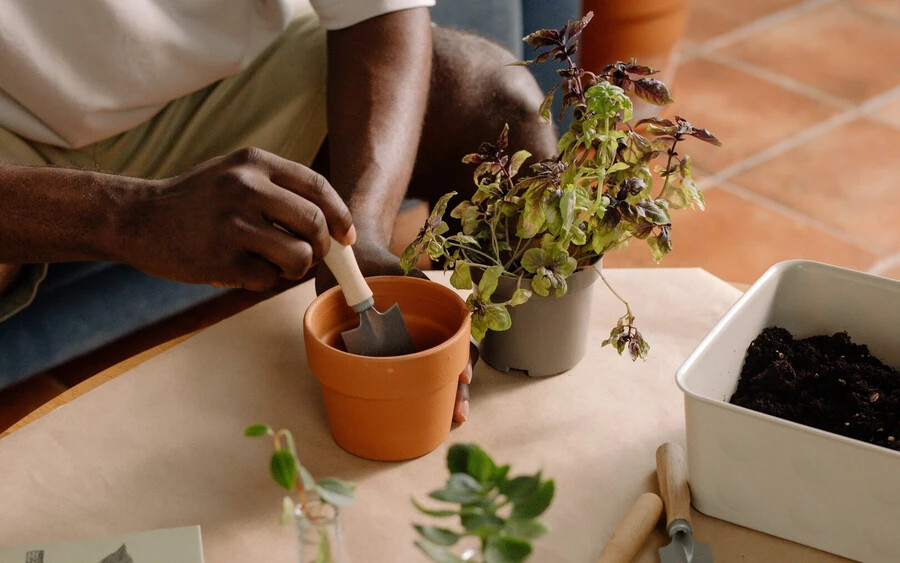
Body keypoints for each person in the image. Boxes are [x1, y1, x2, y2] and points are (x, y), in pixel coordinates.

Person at [0, 1, 557, 421]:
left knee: (500, 110)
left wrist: (359, 227)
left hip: (223, 75)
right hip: (12, 121)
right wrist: (130, 216)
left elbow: (378, 11)